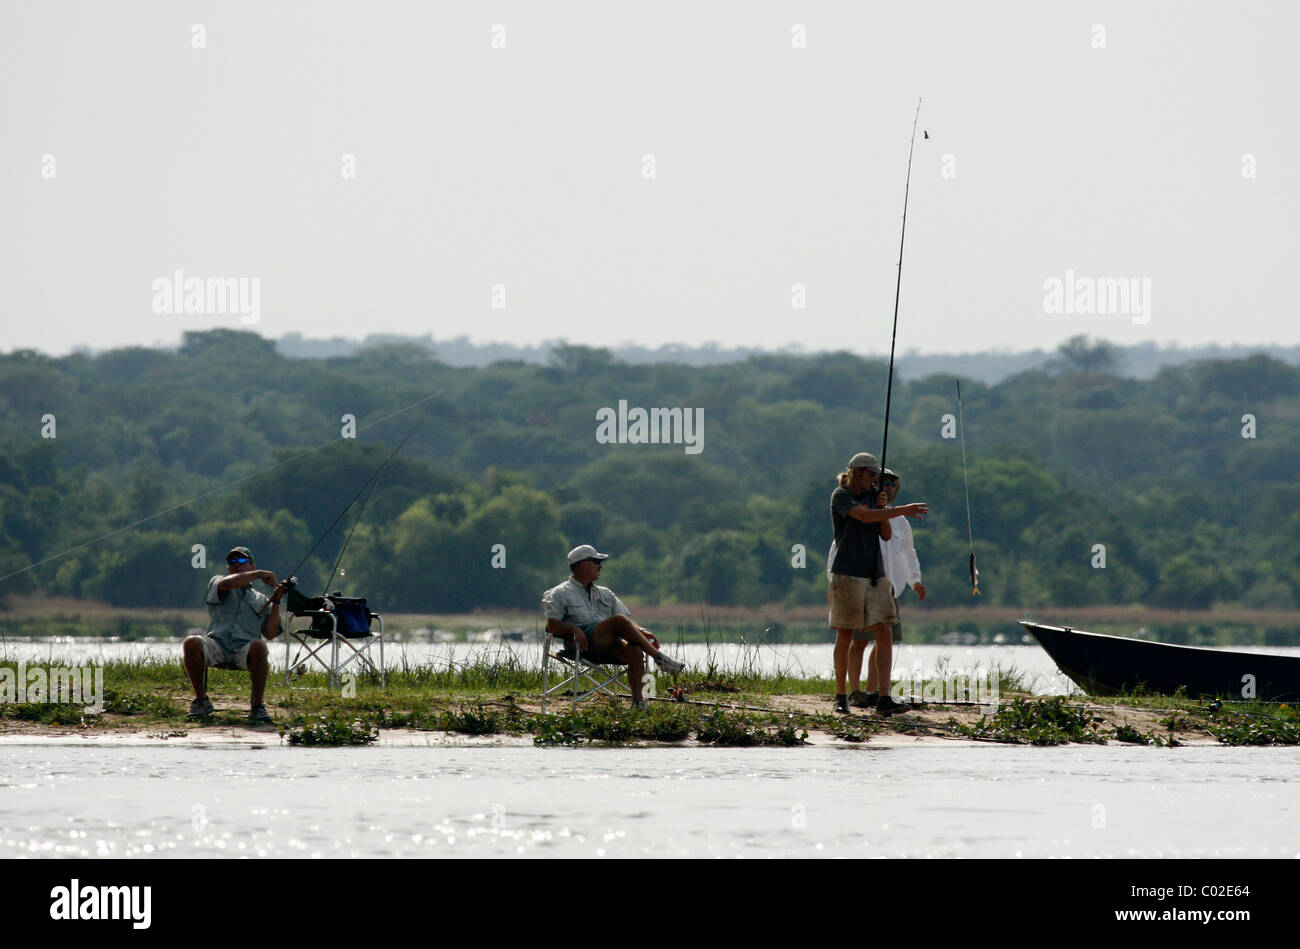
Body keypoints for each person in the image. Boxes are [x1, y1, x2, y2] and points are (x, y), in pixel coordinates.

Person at [827, 453, 928, 716]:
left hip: (876, 575)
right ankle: (841, 695)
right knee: (846, 633)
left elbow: (884, 533)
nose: (876, 481)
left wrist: (884, 510)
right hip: (848, 573)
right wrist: (901, 509)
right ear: (858, 472)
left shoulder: (875, 499)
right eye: (873, 475)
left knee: (885, 632)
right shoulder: (842, 496)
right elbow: (862, 517)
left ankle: (883, 697)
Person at [541, 545, 686, 707]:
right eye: (597, 562)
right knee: (617, 620)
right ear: (584, 565)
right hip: (581, 646)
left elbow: (626, 621)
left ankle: (638, 702)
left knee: (635, 650)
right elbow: (551, 626)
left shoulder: (605, 593)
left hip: (610, 646)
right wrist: (573, 629)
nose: (600, 566)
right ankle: (660, 659)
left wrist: (643, 631)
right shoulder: (560, 593)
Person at [183, 546, 290, 723]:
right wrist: (260, 574)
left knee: (260, 646)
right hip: (217, 643)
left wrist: (277, 601)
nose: (236, 564)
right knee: (191, 642)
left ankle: (257, 707)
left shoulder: (261, 599)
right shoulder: (218, 582)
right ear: (227, 568)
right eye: (232, 562)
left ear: (251, 565)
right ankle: (201, 701)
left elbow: (270, 633)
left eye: (242, 561)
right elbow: (228, 584)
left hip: (244, 650)